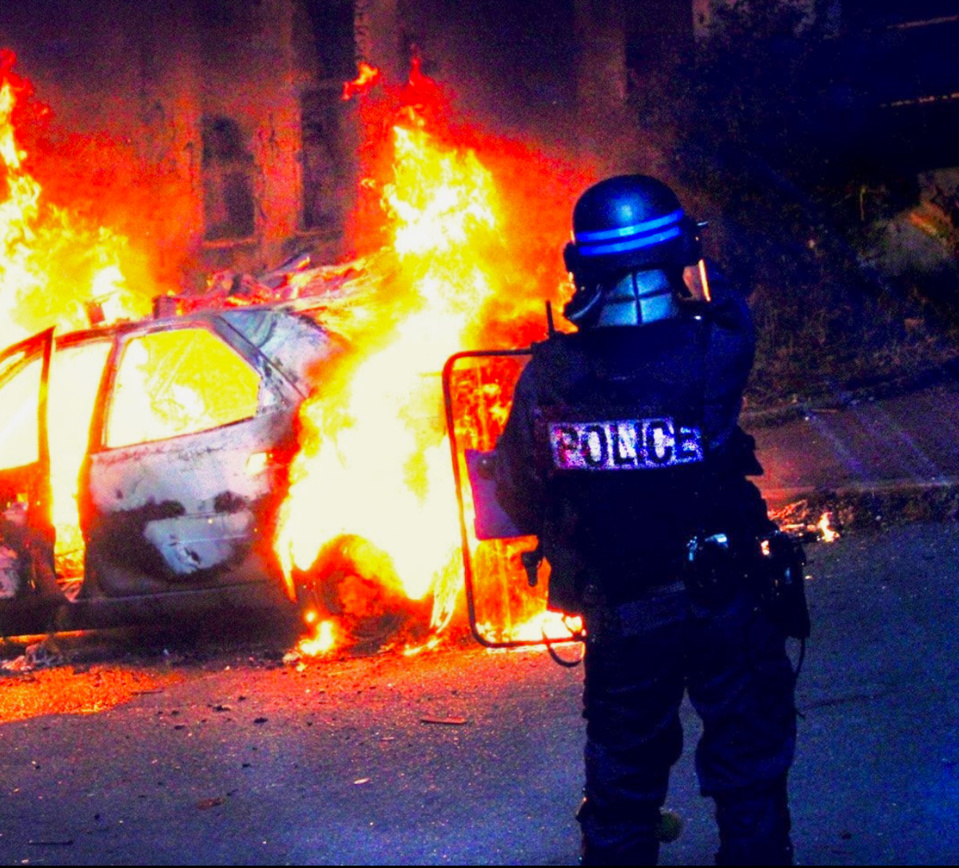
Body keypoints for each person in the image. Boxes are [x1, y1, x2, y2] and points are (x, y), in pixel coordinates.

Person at [492, 174, 804, 866]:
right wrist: (696, 254)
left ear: (583, 269)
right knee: (748, 778)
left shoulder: (549, 375)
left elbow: (514, 487)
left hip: (625, 611)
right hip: (727, 603)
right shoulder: (712, 351)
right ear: (675, 255)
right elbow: (729, 309)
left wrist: (574, 528)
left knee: (622, 794)